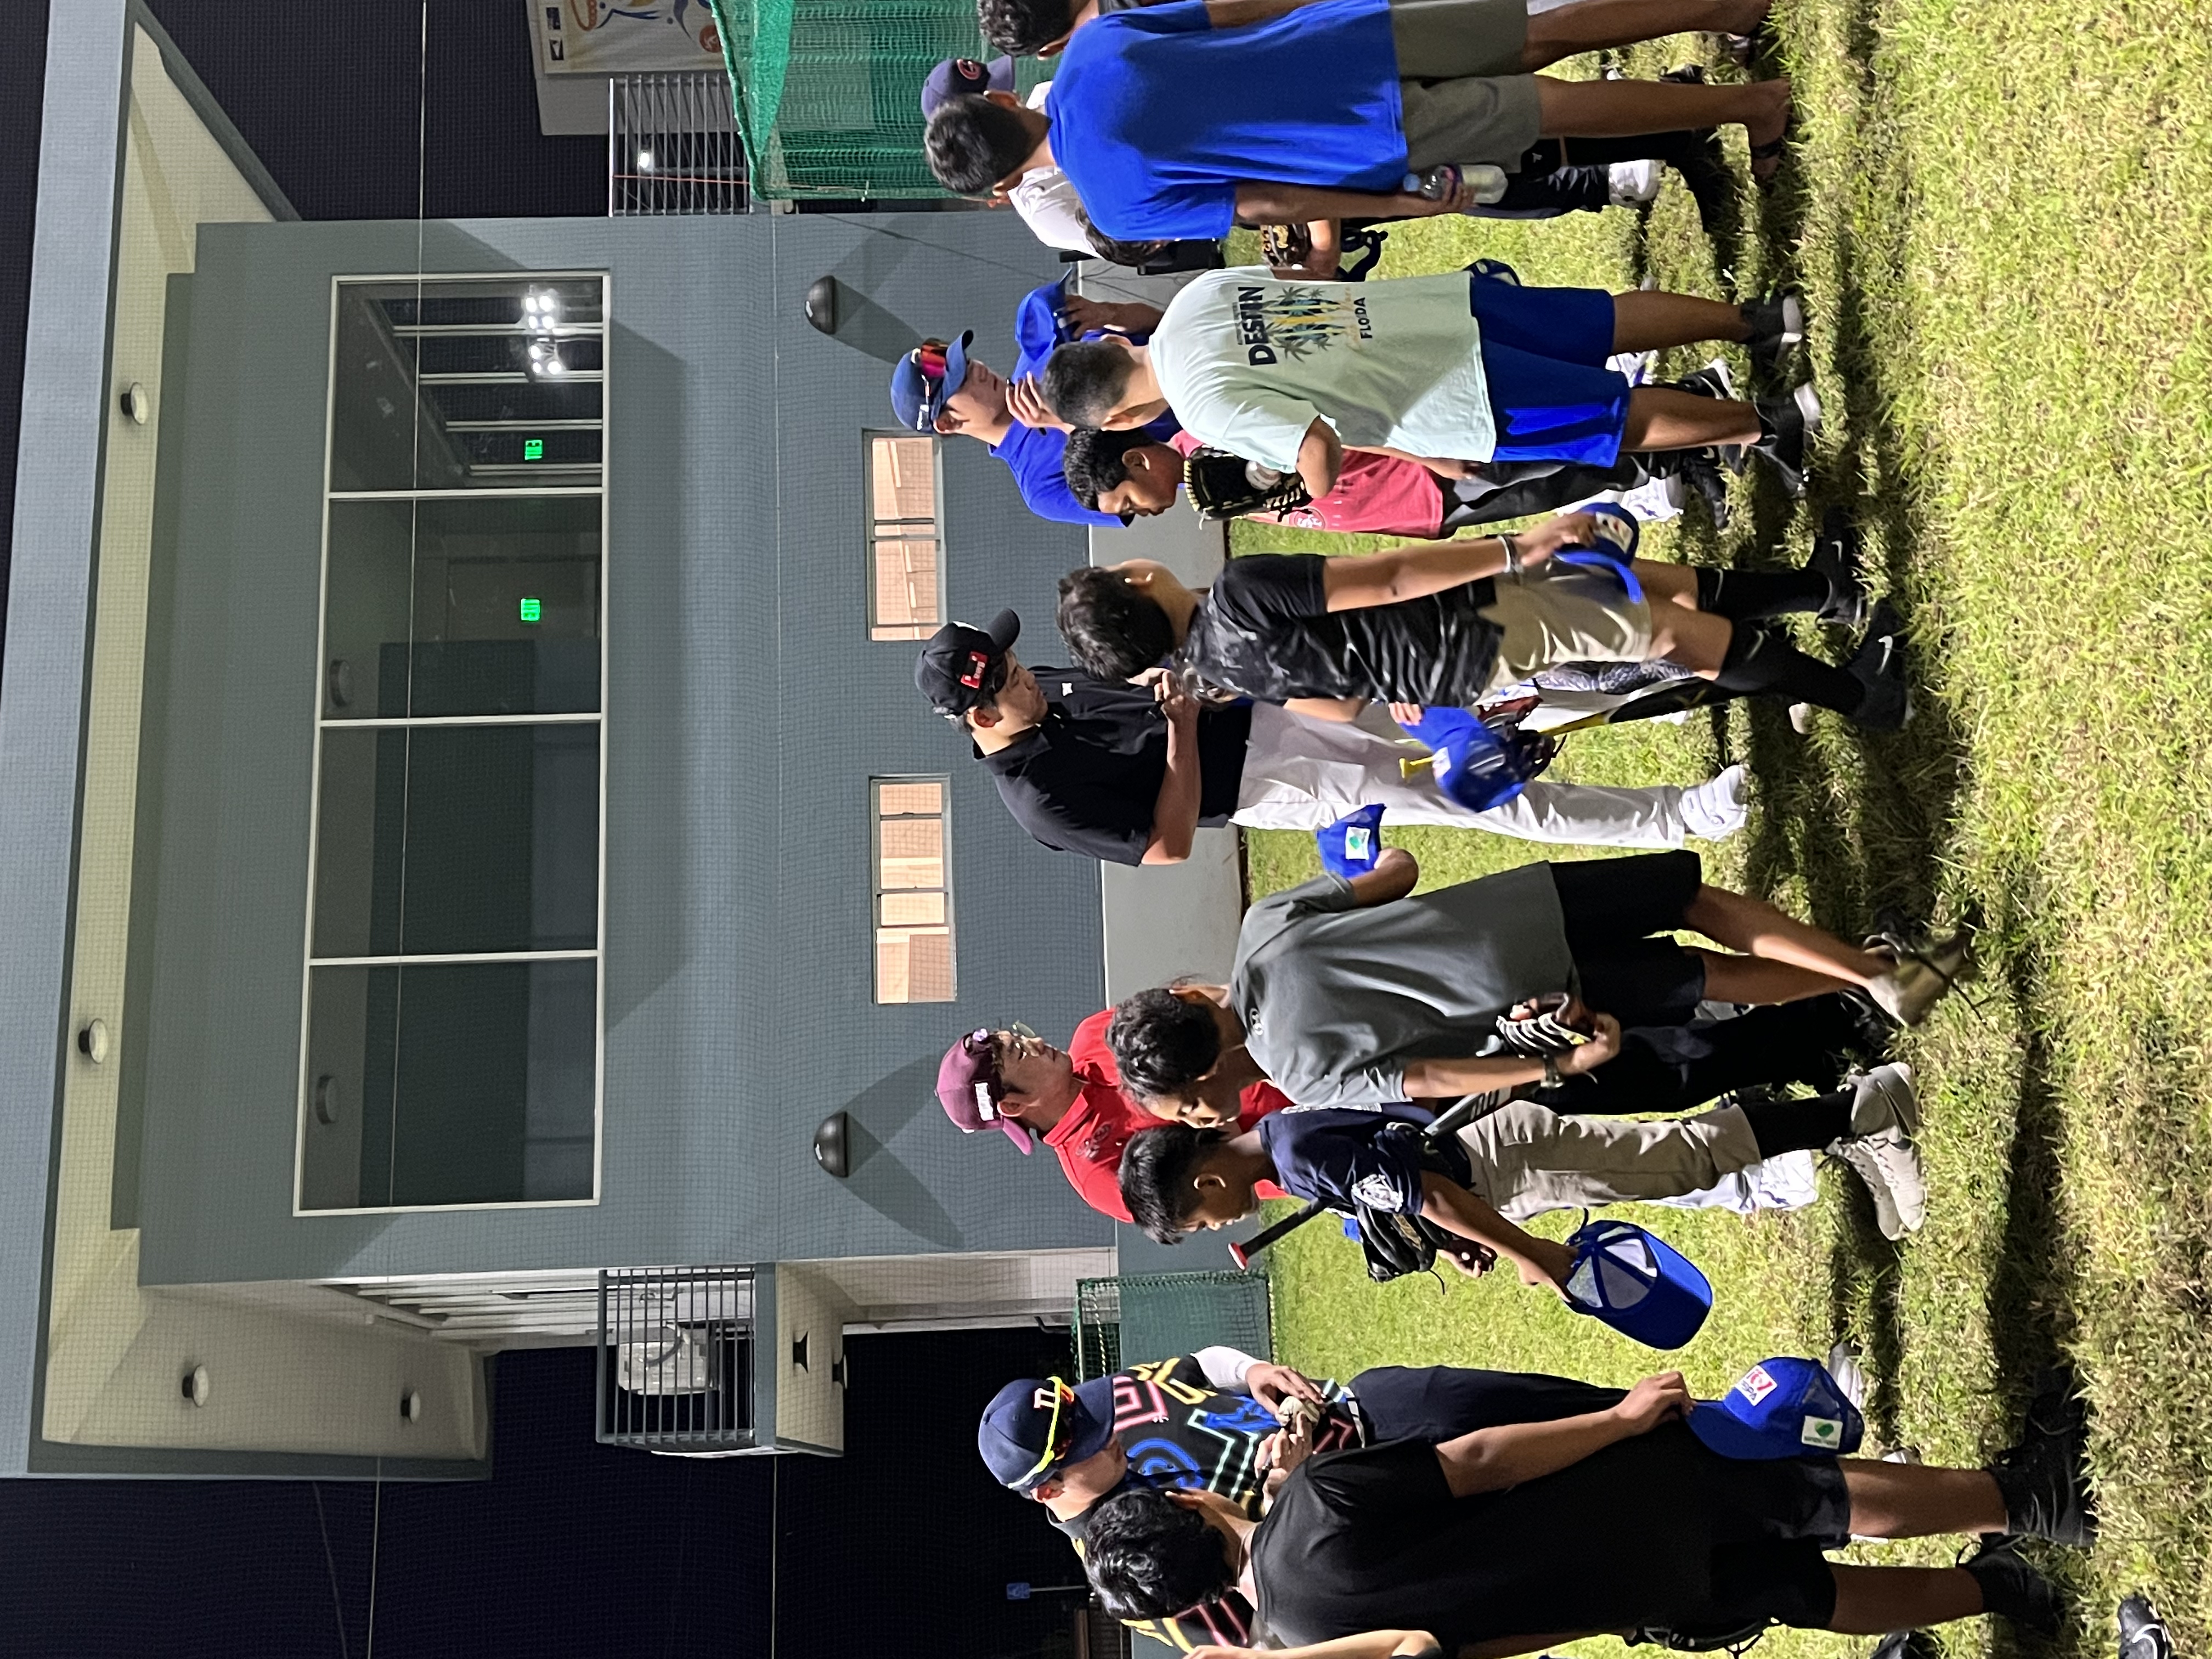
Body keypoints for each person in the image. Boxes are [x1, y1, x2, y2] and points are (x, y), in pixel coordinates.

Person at [1080, 1361, 2094, 1650]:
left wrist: (1602, 1614)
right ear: (1182, 1496)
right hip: (1617, 1499)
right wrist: (1619, 1417)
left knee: (1803, 1590)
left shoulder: (1294, 1638)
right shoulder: (1314, 1496)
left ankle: (1992, 1586)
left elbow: (1489, 1646)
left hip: (1625, 1592)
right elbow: (1475, 1459)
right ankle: (2029, 1498)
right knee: (1806, 1500)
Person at [1103, 844, 1971, 1107]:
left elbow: (1433, 1076)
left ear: (1205, 1068)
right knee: (1696, 902)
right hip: (1516, 913)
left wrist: (1550, 1067)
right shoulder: (1263, 931)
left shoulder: (1303, 1078)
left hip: (1537, 1006)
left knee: (1706, 981)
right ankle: (1874, 969)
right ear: (1188, 997)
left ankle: (1863, 985)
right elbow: (1398, 872)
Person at [977, 1350, 1691, 1647]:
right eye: (1089, 1446)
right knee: (1597, 1503)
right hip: (1393, 1519)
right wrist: (1282, 1486)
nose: (1110, 1435)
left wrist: (1254, 1371)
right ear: (1048, 1487)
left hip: (1380, 1419)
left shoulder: (1102, 1409)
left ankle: (1709, 1424)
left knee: (1594, 1413)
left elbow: (1202, 1367)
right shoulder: (1131, 1570)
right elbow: (1279, 1617)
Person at [913, 611, 1751, 864]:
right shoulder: (1039, 800)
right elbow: (1166, 847)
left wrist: (1173, 687)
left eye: (1016, 661)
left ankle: (1653, 692)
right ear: (982, 716)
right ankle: (1681, 815)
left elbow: (1126, 688)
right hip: (1265, 785)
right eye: (1010, 680)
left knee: (1455, 692)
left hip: (1263, 710)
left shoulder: (1044, 689)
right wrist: (1179, 736)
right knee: (1474, 794)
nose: (1028, 674)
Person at [933, 0, 1797, 241]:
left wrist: (1395, 207)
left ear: (1007, 184)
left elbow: (1267, 207)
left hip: (1362, 140)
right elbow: (1226, 14)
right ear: (1005, 100)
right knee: (1539, 34)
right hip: (1344, 36)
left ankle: (1749, 106)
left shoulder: (1116, 209)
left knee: (1555, 109)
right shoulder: (1093, 50)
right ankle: (1729, 7)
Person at [1051, 505, 1909, 731]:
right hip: (1475, 619)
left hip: (1450, 666)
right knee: (1674, 636)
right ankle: (1860, 698)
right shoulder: (1239, 592)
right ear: (1137, 583)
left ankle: (1815, 591)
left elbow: (1337, 706)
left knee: (1637, 583)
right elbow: (1385, 579)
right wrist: (1512, 550)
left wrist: (1394, 680)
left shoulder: (1223, 670)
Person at [1116, 1059, 1930, 1269]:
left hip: (1505, 1157)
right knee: (1684, 1156)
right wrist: (1476, 1242)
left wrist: (1525, 1254)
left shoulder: (1296, 1155)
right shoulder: (1287, 1141)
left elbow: (1427, 1190)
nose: (1217, 1224)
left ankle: (1864, 1110)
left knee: (1686, 1158)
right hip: (1498, 1158)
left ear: (1205, 1180)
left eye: (1200, 1218)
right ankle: (1847, 1120)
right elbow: (1410, 1192)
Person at [933, 1014, 1293, 1222]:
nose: (1038, 1041)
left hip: (1300, 1055)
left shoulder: (1093, 1035)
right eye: (1022, 1054)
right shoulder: (1098, 1176)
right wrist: (1212, 1111)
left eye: (1021, 1037)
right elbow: (1215, 1203)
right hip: (1303, 1143)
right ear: (1012, 1106)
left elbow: (1204, 1015)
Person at [888, 284, 1177, 529]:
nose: (977, 369)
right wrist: (1068, 423)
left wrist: (1111, 313)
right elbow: (1144, 500)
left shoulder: (1037, 352)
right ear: (948, 423)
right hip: (1208, 447)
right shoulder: (1040, 488)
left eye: (967, 362)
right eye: (961, 380)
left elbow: (1160, 329)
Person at [1062, 424, 1660, 537]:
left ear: (1138, 460)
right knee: (1557, 488)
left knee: (1555, 451)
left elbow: (1329, 426)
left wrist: (1424, 454)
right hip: (1420, 507)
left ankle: (1687, 411)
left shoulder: (1213, 440)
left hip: (1423, 473)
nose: (1141, 512)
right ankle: (1667, 461)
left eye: (1129, 504)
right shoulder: (1206, 492)